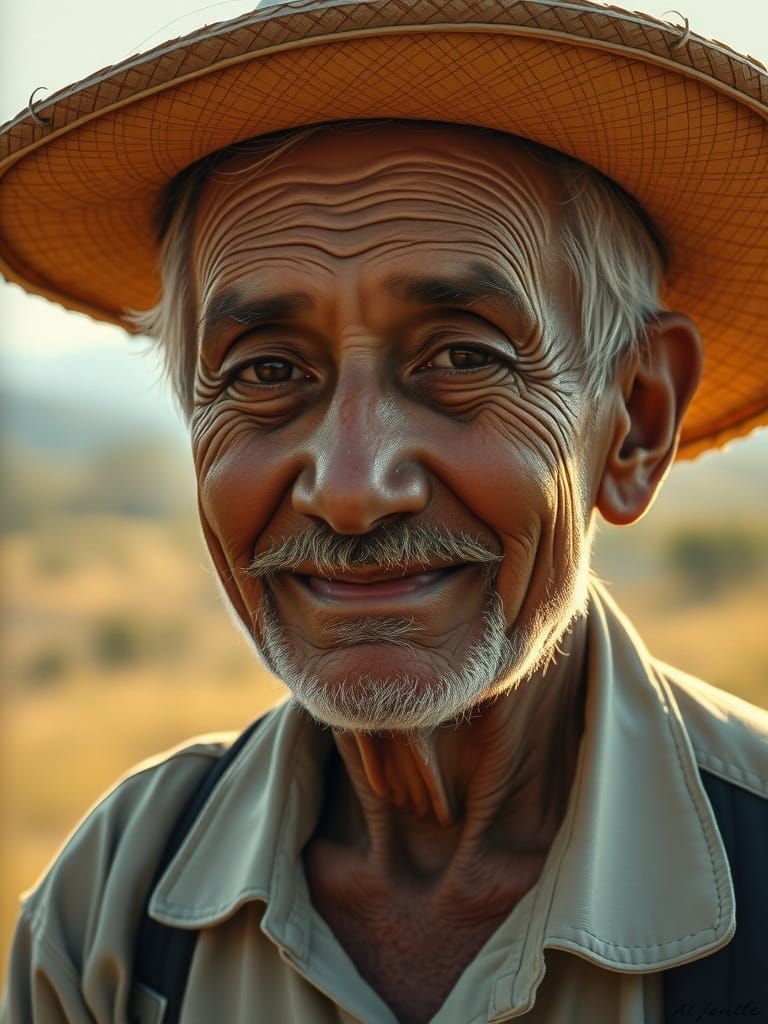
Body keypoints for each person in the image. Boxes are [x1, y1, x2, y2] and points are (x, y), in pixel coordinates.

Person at [1, 2, 766, 1022]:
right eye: (266, 371)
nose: (353, 490)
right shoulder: (115, 905)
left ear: (632, 421)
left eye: (462, 357)